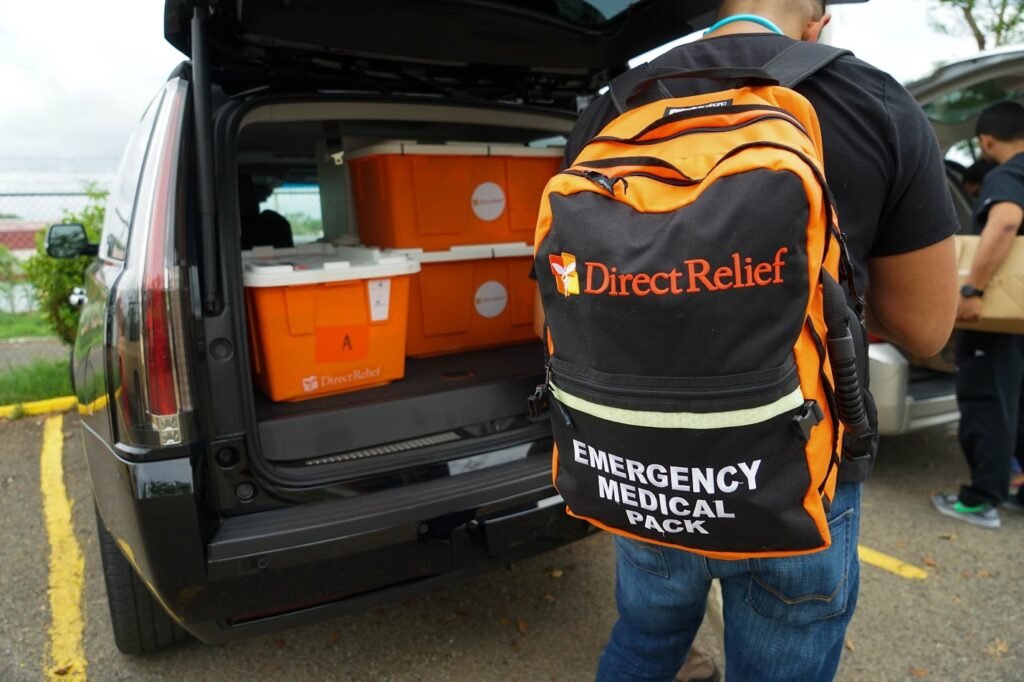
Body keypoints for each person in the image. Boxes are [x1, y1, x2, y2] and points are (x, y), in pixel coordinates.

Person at [552, 1, 960, 680]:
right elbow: (926, 328)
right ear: (817, 20)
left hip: (640, 467)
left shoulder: (613, 107)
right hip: (795, 473)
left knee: (645, 641)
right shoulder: (872, 99)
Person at [933, 101, 1024, 527]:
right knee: (1015, 401)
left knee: (987, 400)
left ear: (986, 141)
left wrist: (972, 289)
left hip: (999, 315)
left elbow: (1005, 223)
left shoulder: (1006, 175)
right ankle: (1015, 491)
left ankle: (981, 499)